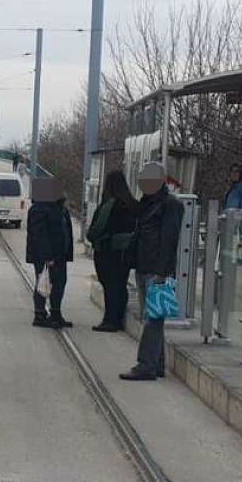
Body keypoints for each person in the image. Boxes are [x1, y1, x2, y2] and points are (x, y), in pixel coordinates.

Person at [121, 162, 184, 381]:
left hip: (157, 270)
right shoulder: (148, 203)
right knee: (153, 316)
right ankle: (157, 364)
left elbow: (170, 240)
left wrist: (163, 271)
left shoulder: (170, 205)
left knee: (153, 319)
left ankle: (145, 365)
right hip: (143, 265)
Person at [86, 170, 138, 332]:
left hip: (108, 251)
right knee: (121, 285)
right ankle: (118, 318)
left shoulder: (110, 204)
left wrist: (91, 237)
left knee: (110, 285)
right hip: (126, 252)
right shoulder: (132, 203)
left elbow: (98, 227)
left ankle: (110, 320)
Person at [26, 177, 74, 329]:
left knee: (59, 283)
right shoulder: (38, 210)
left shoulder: (59, 209)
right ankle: (39, 314)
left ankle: (55, 313)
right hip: (46, 256)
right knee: (44, 283)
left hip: (60, 255)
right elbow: (39, 235)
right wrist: (47, 256)